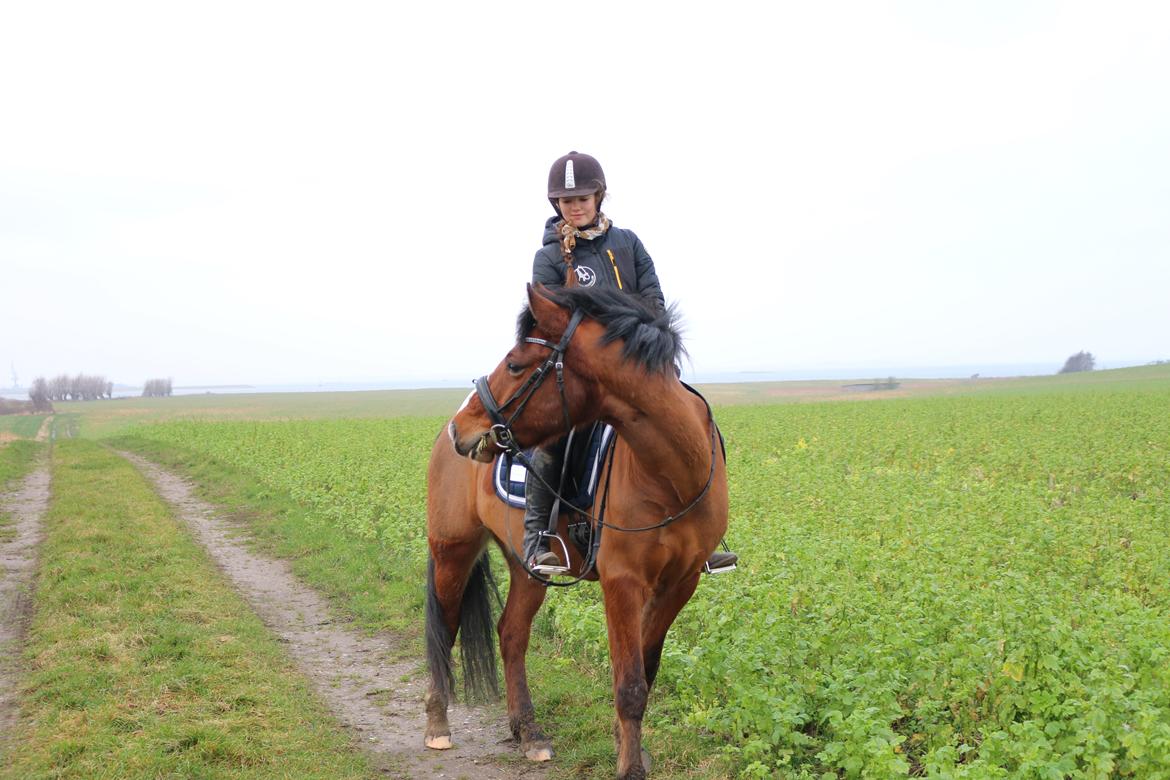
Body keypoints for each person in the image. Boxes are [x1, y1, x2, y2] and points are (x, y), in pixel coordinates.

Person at [523, 151, 738, 576]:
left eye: (583, 197)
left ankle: (707, 535)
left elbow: (654, 299)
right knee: (554, 440)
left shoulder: (628, 243)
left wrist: (635, 343)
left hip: (641, 366)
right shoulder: (548, 259)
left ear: (599, 197)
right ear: (557, 206)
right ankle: (537, 539)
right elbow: (550, 322)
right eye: (567, 201)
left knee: (697, 419)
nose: (576, 206)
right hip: (585, 373)